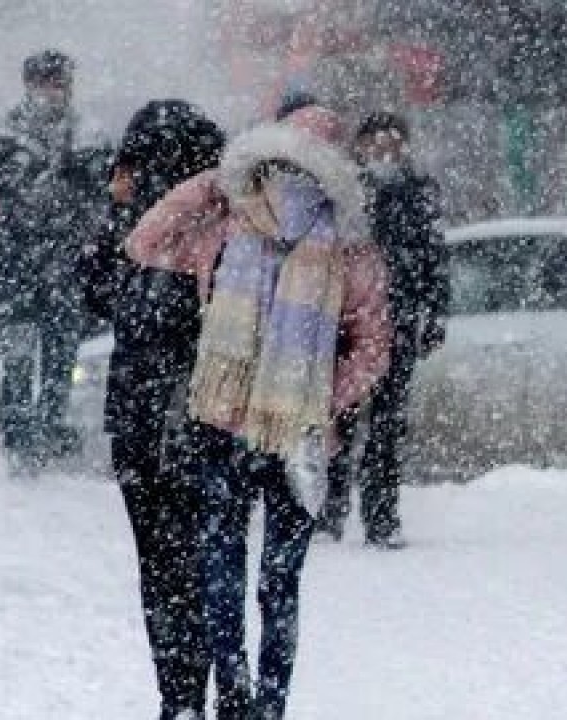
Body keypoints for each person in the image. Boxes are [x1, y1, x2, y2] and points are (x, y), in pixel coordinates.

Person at [127, 106, 391, 720]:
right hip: (292, 437)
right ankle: (265, 705)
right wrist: (321, 398)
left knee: (226, 572)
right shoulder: (347, 249)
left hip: (229, 427)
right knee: (277, 583)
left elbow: (146, 238)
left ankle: (238, 697)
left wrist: (214, 183)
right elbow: (374, 348)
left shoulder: (229, 226)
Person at [80, 100, 226, 720]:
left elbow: (95, 294)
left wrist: (116, 213)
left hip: (155, 421)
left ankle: (183, 695)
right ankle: (205, 690)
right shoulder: (222, 218)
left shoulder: (154, 234)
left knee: (167, 568)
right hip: (197, 421)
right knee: (201, 564)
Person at [0, 49, 90, 470]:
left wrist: (80, 221)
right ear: (29, 85)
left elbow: (100, 197)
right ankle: (19, 431)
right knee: (19, 351)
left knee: (61, 353)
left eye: (60, 83)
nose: (54, 91)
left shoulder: (84, 136)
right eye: (47, 82)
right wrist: (0, 204)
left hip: (62, 264)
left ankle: (47, 427)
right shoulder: (6, 136)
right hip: (16, 264)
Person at [316, 111, 449, 546]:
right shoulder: (345, 193)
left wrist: (434, 314)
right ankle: (330, 511)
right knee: (341, 417)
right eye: (376, 144)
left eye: (392, 144)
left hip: (399, 322)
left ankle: (382, 518)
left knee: (388, 426)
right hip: (349, 324)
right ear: (361, 146)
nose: (384, 152)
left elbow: (435, 258)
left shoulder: (418, 194)